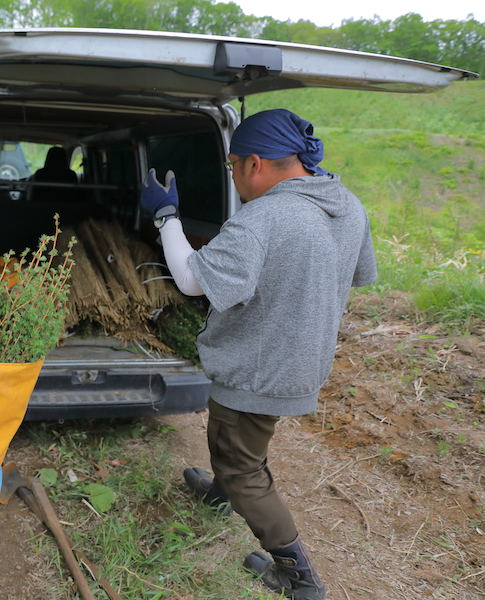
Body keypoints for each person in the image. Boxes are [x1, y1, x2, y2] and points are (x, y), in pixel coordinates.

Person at [140, 109, 377, 600]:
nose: (233, 178)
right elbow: (353, 273)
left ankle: (299, 575)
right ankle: (219, 495)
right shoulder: (347, 204)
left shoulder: (265, 216)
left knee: (242, 466)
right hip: (302, 358)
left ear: (253, 164)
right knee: (238, 439)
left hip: (257, 366)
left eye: (231, 167)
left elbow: (189, 280)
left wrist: (166, 219)